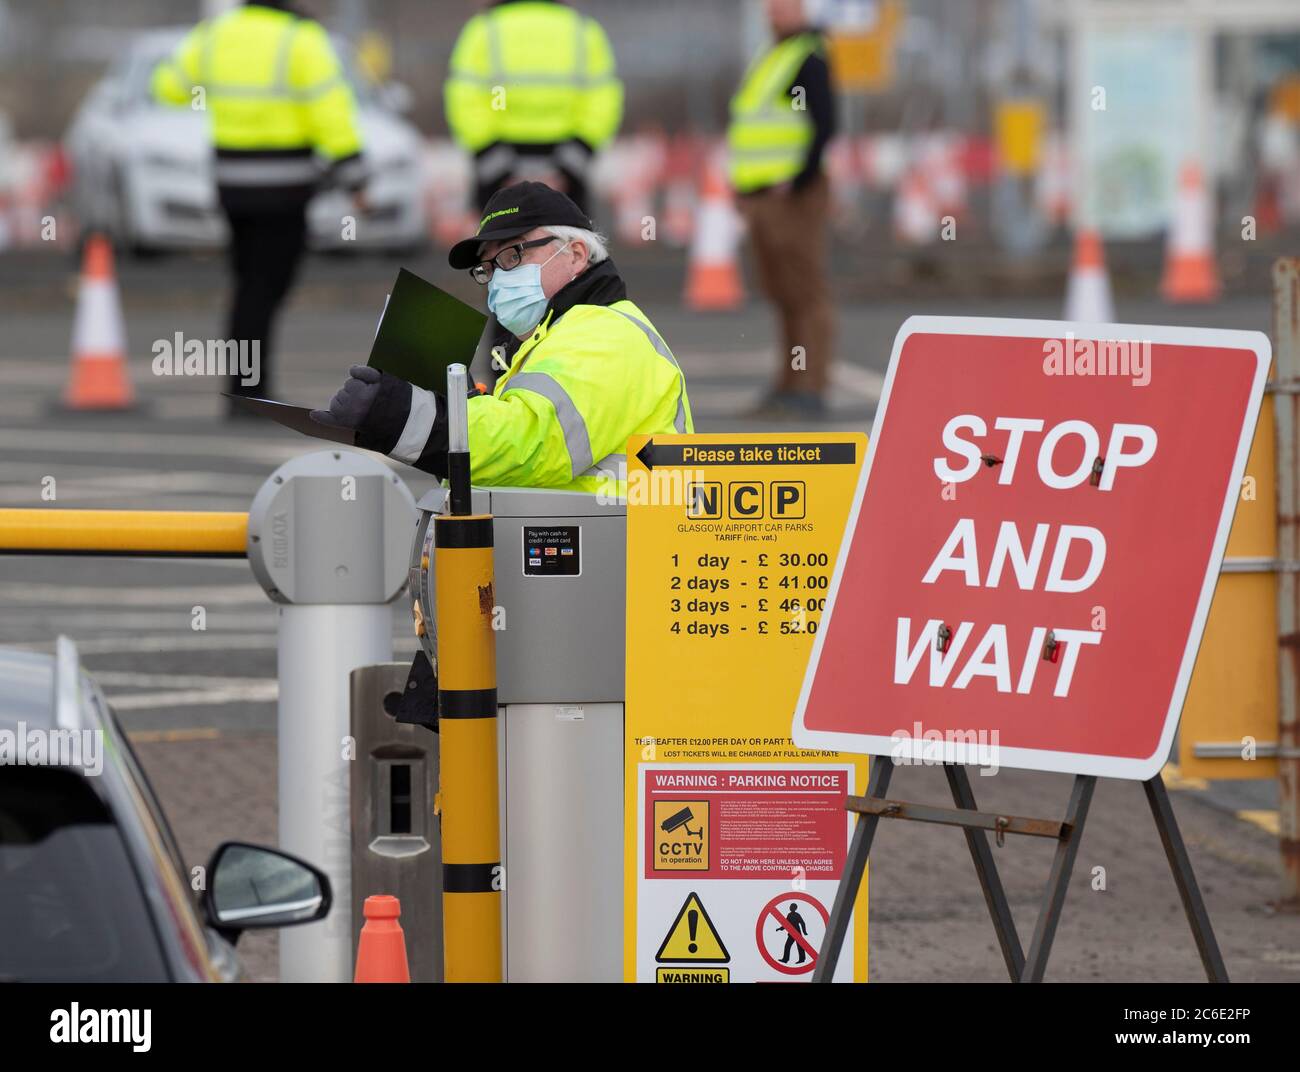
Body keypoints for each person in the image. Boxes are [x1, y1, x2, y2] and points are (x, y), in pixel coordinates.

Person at [312, 183, 690, 498]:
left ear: (575, 253)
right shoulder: (553, 336)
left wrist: (401, 411)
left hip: (625, 562)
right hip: (594, 553)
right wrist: (451, 406)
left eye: (512, 255)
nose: (497, 278)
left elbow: (533, 446)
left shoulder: (605, 334)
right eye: (487, 267)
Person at [152, 0, 368, 415]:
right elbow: (330, 112)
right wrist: (355, 177)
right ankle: (249, 393)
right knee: (266, 288)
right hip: (284, 186)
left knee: (248, 285)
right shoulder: (300, 38)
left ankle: (245, 388)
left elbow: (168, 86)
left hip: (232, 183)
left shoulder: (217, 33)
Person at [729, 0, 837, 419]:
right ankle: (791, 383)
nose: (775, 10)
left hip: (790, 196)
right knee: (783, 293)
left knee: (805, 292)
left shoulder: (806, 57)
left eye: (786, 4)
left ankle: (811, 387)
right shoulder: (773, 55)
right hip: (762, 194)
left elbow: (825, 125)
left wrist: (799, 178)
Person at [444, 0, 623, 216]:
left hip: (498, 160)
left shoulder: (483, 29)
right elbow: (602, 101)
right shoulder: (583, 30)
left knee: (496, 245)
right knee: (570, 244)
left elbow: (465, 100)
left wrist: (496, 164)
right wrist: (571, 164)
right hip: (567, 159)